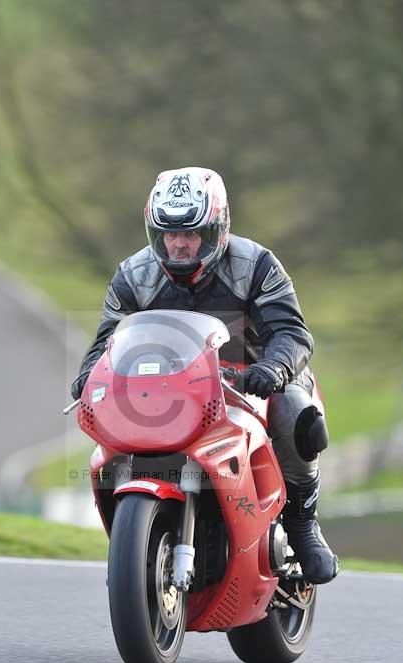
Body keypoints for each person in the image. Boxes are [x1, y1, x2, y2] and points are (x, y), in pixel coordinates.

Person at [71, 167, 338, 584]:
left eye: (190, 234)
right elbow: (108, 341)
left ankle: (303, 523)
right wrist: (89, 376)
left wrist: (273, 368)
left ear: (217, 228)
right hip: (174, 386)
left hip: (252, 380)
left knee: (296, 412)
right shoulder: (133, 275)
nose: (178, 245)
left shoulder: (257, 265)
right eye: (167, 234)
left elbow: (292, 333)